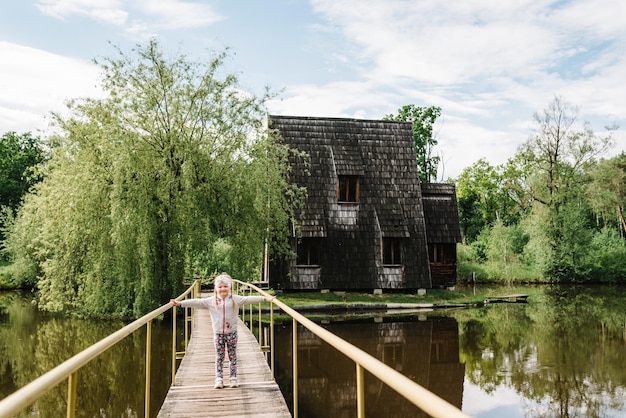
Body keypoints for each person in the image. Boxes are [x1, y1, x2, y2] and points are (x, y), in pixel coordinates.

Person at [170, 273, 275, 389]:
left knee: (232, 356)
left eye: (225, 286)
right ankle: (219, 379)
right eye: (220, 287)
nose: (223, 289)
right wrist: (180, 303)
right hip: (218, 333)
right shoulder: (211, 301)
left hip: (232, 333)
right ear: (216, 289)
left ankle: (233, 378)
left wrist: (265, 298)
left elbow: (249, 299)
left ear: (230, 287)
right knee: (219, 357)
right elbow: (196, 302)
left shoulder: (235, 299)